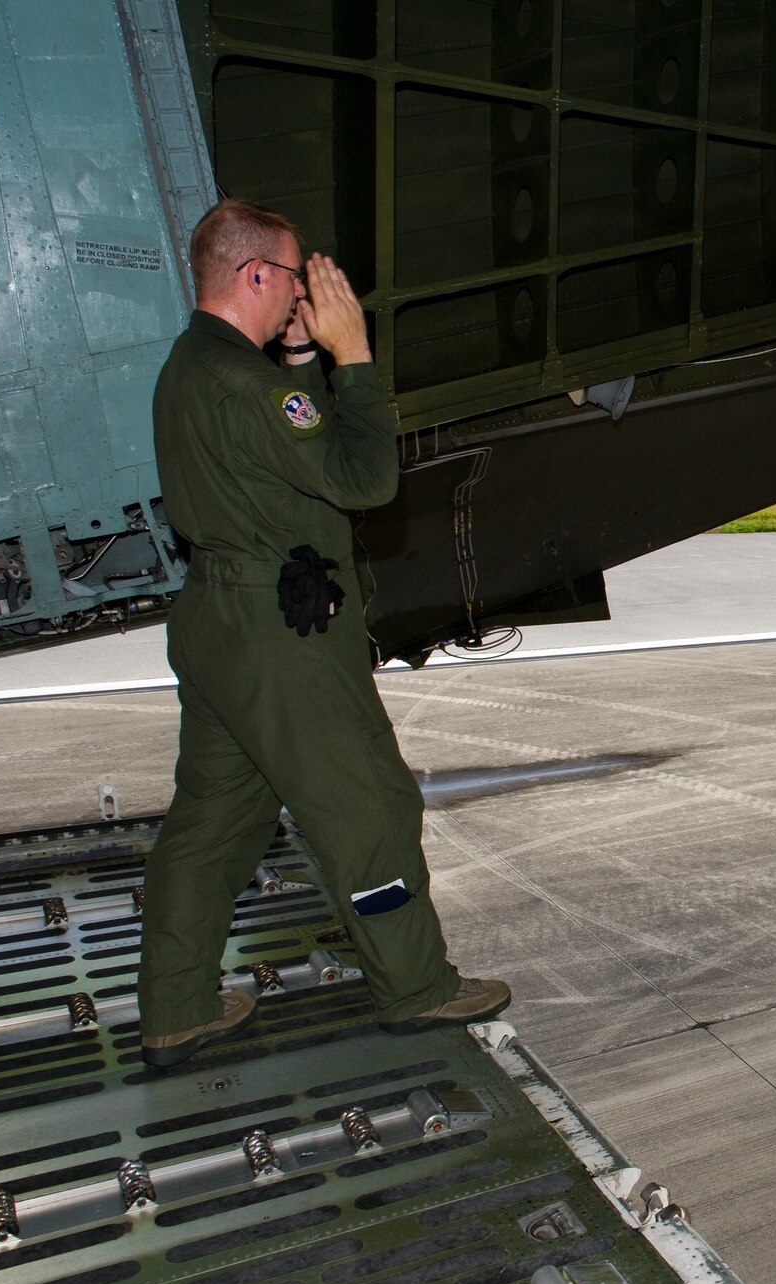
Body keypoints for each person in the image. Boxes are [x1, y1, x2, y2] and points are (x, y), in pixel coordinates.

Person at [136, 198, 509, 1068]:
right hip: (282, 635)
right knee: (370, 809)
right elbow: (365, 476)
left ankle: (176, 1008)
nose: (308, 288)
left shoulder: (195, 366)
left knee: (214, 821)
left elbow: (283, 452)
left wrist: (301, 355)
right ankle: (413, 987)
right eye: (297, 274)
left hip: (216, 620)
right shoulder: (246, 384)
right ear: (256, 275)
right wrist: (355, 361)